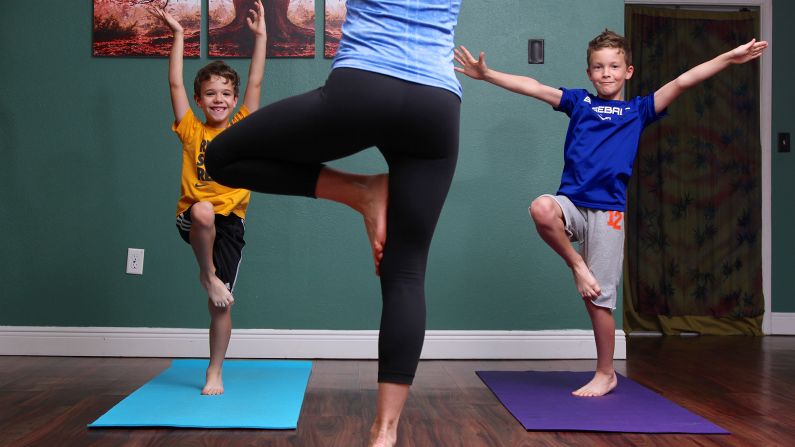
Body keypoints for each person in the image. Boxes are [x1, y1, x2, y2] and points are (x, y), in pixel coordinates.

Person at [454, 30, 767, 397]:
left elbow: (684, 80)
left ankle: (606, 373)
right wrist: (487, 75)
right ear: (589, 73)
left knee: (597, 299)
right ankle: (577, 265)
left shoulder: (639, 111)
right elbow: (533, 86)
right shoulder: (579, 103)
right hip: (571, 203)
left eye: (614, 67)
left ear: (628, 71)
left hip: (608, 212)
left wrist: (730, 57)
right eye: (599, 67)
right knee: (540, 208)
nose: (606, 73)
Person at [205, 1, 462, 445]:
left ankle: (358, 191)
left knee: (222, 157)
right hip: (436, 104)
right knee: (406, 271)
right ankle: (384, 432)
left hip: (364, 87)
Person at [150, 1, 267, 396]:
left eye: (226, 94)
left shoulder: (242, 128)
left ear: (234, 100)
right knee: (202, 210)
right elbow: (174, 85)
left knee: (221, 305)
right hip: (193, 219)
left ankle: (214, 371)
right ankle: (207, 274)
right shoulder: (189, 129)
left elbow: (255, 81)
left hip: (230, 225)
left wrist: (262, 37)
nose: (219, 99)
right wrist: (180, 36)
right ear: (199, 101)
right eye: (210, 94)